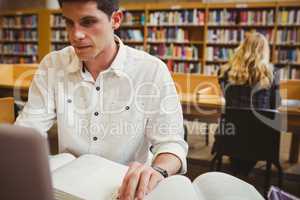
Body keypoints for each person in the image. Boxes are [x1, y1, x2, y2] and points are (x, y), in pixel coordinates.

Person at [15, 0, 188, 200]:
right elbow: (28, 130)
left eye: (88, 22)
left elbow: (171, 143)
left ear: (115, 20)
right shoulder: (53, 64)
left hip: (124, 190)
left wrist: (158, 170)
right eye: (69, 23)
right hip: (67, 186)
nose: (75, 35)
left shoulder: (151, 70)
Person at [214, 32, 281, 176]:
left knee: (238, 142)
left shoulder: (225, 71)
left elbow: (227, 98)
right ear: (265, 51)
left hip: (230, 137)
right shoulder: (272, 74)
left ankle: (239, 172)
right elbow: (275, 106)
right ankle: (243, 173)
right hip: (261, 140)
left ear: (242, 48)